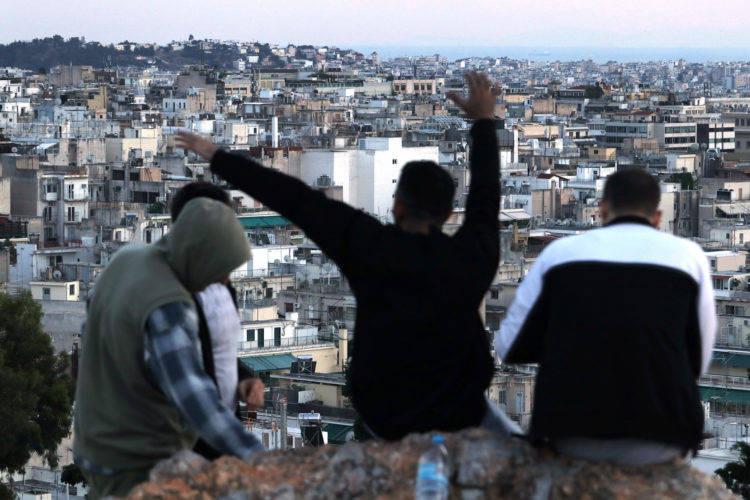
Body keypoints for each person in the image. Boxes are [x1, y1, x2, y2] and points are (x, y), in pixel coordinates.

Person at [176, 71, 520, 441]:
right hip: (461, 410)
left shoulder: (370, 247)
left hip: (388, 416)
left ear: (396, 207)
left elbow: (295, 199)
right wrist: (484, 122)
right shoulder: (472, 256)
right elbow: (486, 193)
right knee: (520, 449)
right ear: (450, 214)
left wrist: (217, 157)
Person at [495, 168, 717, 465]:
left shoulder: (559, 255)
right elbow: (698, 361)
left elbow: (508, 346)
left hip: (571, 432)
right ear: (658, 218)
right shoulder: (689, 257)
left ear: (601, 210)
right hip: (662, 434)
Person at [73, 198, 264, 499]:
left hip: (95, 446)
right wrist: (259, 459)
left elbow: (90, 332)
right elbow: (196, 402)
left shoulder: (126, 260)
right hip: (137, 462)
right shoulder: (168, 305)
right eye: (222, 267)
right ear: (200, 256)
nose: (224, 279)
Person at [170, 182, 266, 460]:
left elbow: (218, 353)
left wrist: (244, 381)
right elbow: (185, 380)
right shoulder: (174, 294)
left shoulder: (224, 286)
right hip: (192, 447)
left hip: (224, 435)